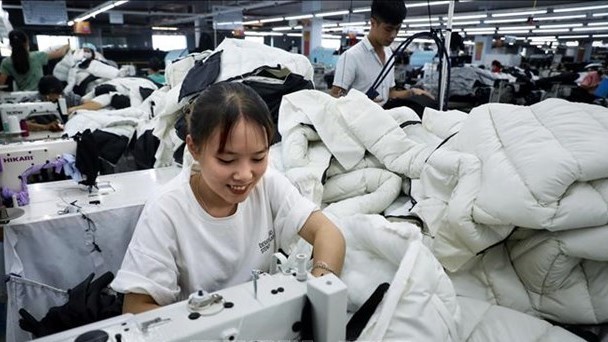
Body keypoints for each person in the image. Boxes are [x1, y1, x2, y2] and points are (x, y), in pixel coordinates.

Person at [111, 82, 346, 314]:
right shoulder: (166, 211)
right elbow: (136, 307)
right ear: (194, 148)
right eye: (226, 160)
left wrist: (319, 288)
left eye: (258, 158)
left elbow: (328, 233)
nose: (245, 175)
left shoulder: (268, 184)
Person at [330, 0, 434, 110]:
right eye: (388, 29)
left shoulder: (389, 54)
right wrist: (359, 103)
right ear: (373, 23)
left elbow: (390, 94)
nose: (393, 35)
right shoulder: (351, 57)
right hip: (357, 121)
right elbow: (334, 99)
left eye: (397, 29)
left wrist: (412, 92)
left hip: (383, 116)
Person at [0, 29, 69, 91]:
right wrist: (67, 45)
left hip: (22, 97)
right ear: (26, 43)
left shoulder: (6, 62)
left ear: (11, 44)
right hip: (40, 95)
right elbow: (60, 53)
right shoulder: (37, 56)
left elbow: (1, 84)